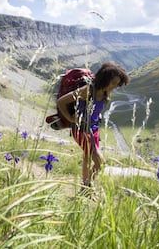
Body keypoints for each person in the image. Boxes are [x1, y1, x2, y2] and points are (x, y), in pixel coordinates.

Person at [56, 62, 130, 196]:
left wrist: (96, 116)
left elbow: (96, 110)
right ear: (105, 79)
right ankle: (87, 188)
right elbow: (61, 101)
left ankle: (85, 189)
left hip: (94, 130)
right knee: (100, 161)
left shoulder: (106, 94)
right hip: (81, 129)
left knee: (87, 158)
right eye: (113, 83)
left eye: (117, 84)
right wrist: (72, 119)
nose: (115, 86)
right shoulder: (87, 90)